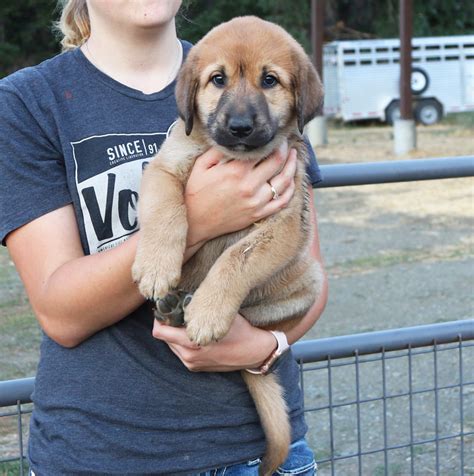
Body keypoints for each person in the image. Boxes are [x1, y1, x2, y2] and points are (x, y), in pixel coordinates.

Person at [0, 0, 328, 474]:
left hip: (254, 450)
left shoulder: (263, 75)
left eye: (269, 82)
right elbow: (60, 313)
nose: (240, 101)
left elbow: (305, 277)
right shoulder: (27, 101)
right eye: (217, 83)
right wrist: (198, 221)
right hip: (99, 455)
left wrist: (261, 349)